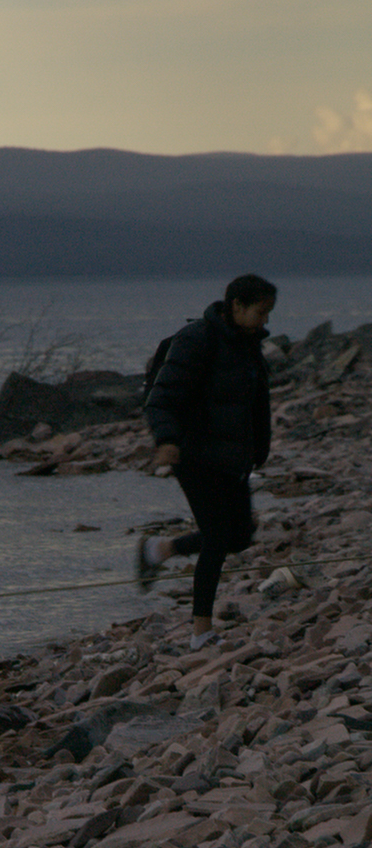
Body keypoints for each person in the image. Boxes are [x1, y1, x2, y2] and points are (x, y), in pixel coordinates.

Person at [135, 273, 277, 643]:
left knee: (240, 535)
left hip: (232, 457)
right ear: (237, 306)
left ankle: (159, 549)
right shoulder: (196, 339)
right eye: (261, 312)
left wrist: (259, 447)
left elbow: (255, 403)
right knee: (216, 536)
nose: (266, 321)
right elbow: (162, 398)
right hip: (193, 453)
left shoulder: (249, 344)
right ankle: (201, 632)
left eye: (268, 313)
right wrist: (166, 440)